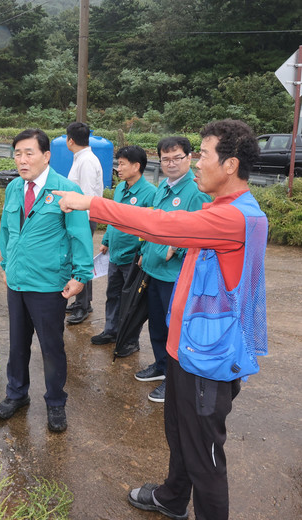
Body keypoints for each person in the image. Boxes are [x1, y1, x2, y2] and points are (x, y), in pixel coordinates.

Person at [53, 119, 267, 520]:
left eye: (203, 155)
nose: (196, 162)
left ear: (231, 165)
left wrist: (92, 204)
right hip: (188, 350)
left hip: (208, 361)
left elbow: (163, 225)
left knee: (205, 458)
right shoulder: (220, 209)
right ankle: (172, 498)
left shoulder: (236, 218)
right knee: (180, 434)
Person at [0, 128, 94, 432]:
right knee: (17, 344)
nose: (22, 160)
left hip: (49, 284)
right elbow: (6, 231)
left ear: (46, 156)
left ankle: (55, 402)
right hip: (17, 282)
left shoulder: (65, 189)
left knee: (51, 347)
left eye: (29, 153)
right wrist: (5, 263)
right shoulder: (14, 188)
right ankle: (16, 393)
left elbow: (80, 234)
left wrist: (81, 275)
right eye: (17, 154)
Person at [136, 137, 211, 403]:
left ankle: (174, 380)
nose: (170, 164)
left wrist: (174, 250)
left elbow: (200, 230)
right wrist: (145, 252)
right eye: (165, 159)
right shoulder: (163, 187)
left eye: (176, 157)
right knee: (157, 325)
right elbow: (153, 223)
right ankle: (161, 365)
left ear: (189, 158)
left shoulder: (195, 191)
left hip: (175, 275)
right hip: (154, 270)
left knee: (175, 329)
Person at [90, 145, 156, 355]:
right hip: (115, 254)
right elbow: (113, 218)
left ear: (136, 166)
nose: (118, 168)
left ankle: (129, 340)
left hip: (134, 257)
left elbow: (152, 227)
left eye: (122, 164)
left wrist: (144, 251)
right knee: (113, 295)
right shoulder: (120, 188)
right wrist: (106, 240)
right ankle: (111, 331)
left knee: (132, 301)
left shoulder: (150, 193)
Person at [63, 122, 104, 325]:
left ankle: (83, 306)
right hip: (81, 218)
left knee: (81, 261)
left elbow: (87, 195)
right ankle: (82, 302)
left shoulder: (86, 161)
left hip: (84, 219)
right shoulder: (81, 158)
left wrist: (82, 226)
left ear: (70, 140)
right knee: (79, 260)